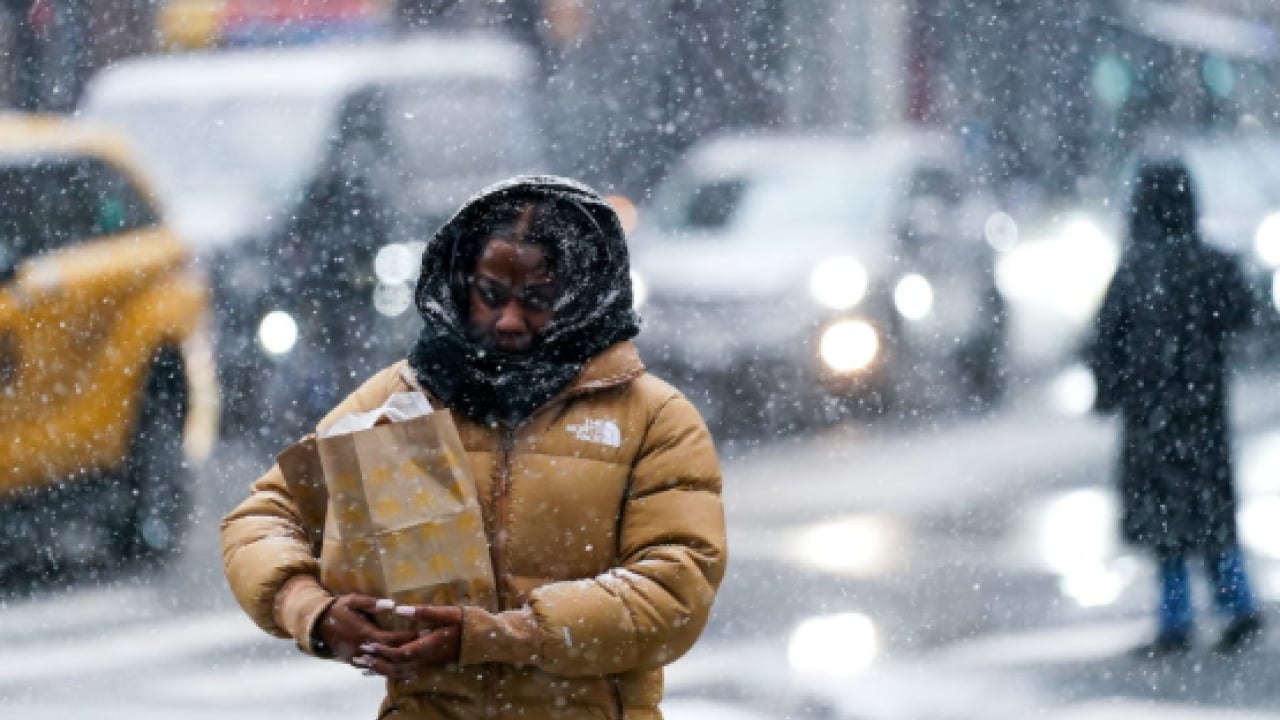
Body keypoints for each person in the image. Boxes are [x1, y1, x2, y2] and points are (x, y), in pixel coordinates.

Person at [221, 176, 727, 718]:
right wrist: (313, 613)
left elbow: (675, 592)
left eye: (537, 299)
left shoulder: (653, 418)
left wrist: (496, 636)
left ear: (584, 295)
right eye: (491, 294)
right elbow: (262, 519)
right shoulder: (402, 399)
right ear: (462, 285)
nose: (509, 320)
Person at [1087, 159, 1263, 657]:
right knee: (1213, 517)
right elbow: (1245, 316)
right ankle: (1236, 605)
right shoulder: (1210, 266)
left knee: (1165, 527)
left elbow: (1107, 341)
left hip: (1151, 420)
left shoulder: (1134, 271)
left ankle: (1176, 619)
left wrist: (1109, 392)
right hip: (1203, 415)